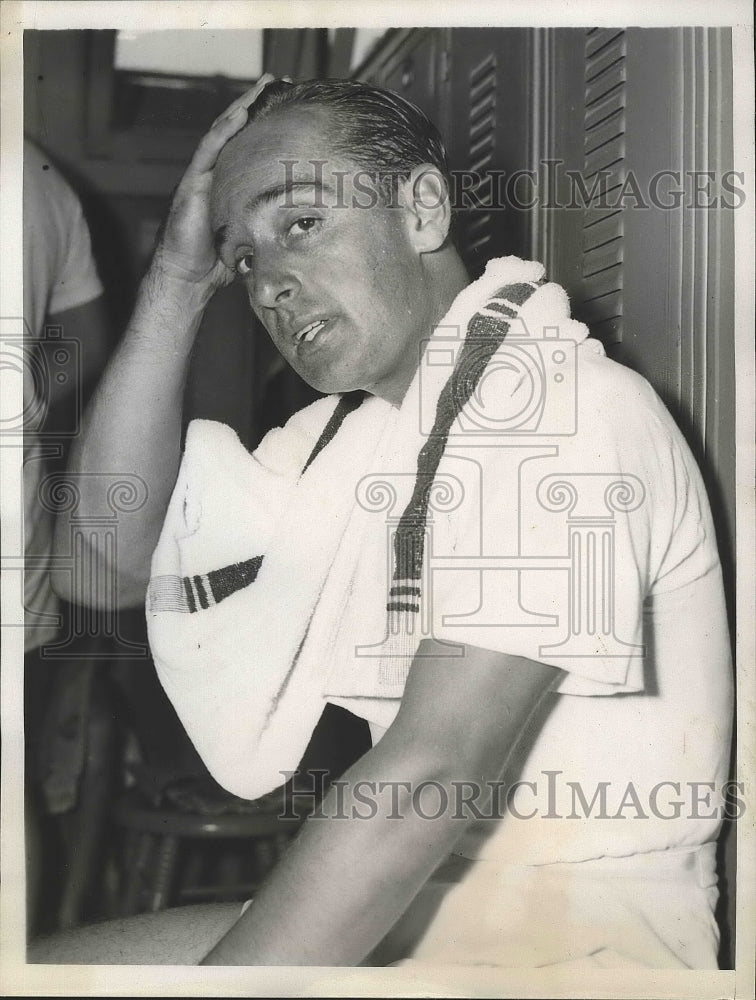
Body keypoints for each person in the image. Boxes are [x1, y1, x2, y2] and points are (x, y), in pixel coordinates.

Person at [35, 75, 733, 968]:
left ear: (424, 211)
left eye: (300, 224)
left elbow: (431, 777)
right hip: (427, 910)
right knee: (48, 970)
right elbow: (96, 570)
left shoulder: (561, 410)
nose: (271, 286)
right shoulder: (355, 439)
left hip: (584, 943)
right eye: (243, 259)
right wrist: (177, 281)